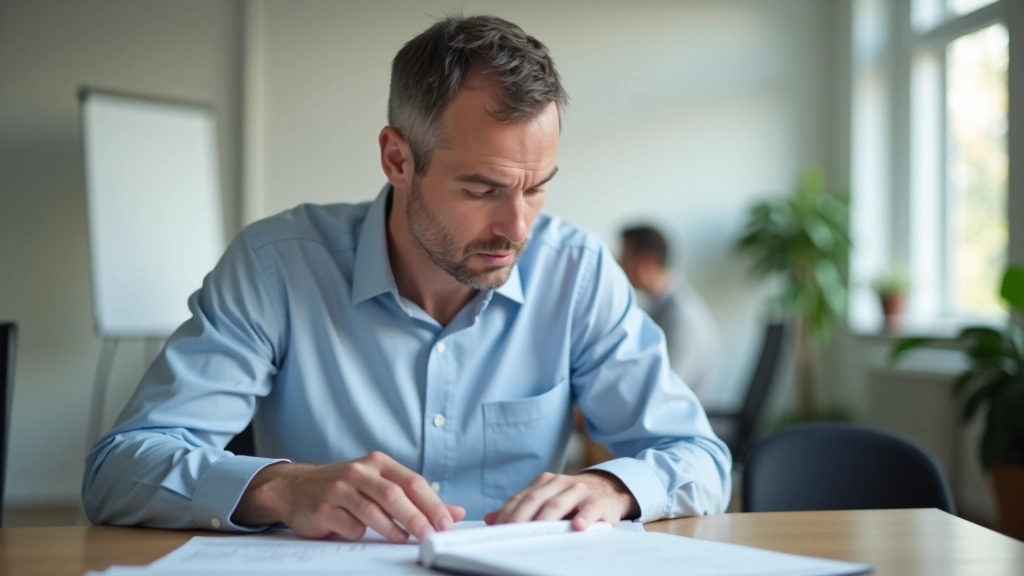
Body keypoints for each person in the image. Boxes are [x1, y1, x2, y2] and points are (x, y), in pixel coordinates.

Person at [83, 15, 731, 542]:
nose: (517, 227)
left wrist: (612, 487)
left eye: (537, 189)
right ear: (398, 158)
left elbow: (700, 458)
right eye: (482, 188)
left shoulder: (577, 272)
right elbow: (119, 470)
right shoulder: (277, 266)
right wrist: (278, 487)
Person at [618, 225, 721, 404]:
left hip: (679, 422)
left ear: (646, 263)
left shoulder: (680, 318)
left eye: (623, 257)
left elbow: (665, 389)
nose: (619, 265)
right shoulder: (662, 306)